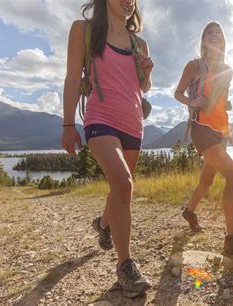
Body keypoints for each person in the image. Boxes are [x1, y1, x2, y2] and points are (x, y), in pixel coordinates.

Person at [61, 0, 153, 298]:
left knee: (119, 189)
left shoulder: (140, 44)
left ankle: (103, 225)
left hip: (134, 124)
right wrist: (67, 125)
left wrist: (147, 73)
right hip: (100, 120)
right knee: (124, 183)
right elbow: (74, 78)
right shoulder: (84, 31)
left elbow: (144, 87)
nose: (129, 1)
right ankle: (126, 265)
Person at [174, 21, 233, 259]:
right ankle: (232, 239)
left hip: (222, 131)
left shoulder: (228, 70)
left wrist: (226, 104)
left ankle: (189, 212)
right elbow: (178, 93)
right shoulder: (194, 66)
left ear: (224, 41)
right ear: (203, 41)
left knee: (207, 180)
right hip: (202, 129)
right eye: (209, 33)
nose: (214, 35)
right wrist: (192, 102)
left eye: (218, 33)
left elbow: (222, 98)